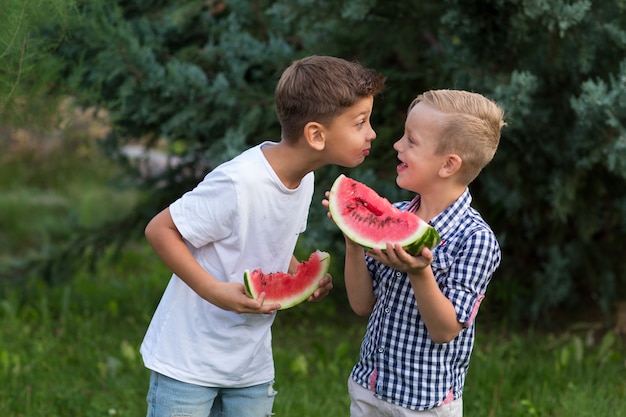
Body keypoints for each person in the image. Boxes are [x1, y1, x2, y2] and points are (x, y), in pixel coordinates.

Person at [139, 55, 386, 417]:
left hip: (250, 362)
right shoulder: (240, 181)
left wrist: (302, 274)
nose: (372, 133)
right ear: (316, 135)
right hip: (189, 357)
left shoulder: (306, 179)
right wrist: (214, 291)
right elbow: (160, 229)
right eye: (360, 123)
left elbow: (271, 242)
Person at [326, 89, 505, 416]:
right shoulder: (392, 214)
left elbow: (445, 330)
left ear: (449, 165)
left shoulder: (475, 240)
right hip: (370, 388)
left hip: (425, 403)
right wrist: (353, 240)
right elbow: (361, 304)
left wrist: (420, 272)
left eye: (411, 140)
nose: (397, 145)